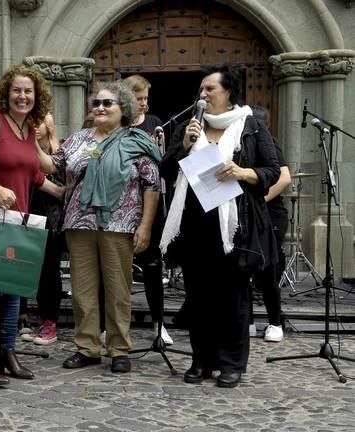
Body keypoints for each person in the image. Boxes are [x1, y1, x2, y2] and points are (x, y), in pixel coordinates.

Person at [159, 64, 280, 388]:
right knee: (198, 298)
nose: (203, 95)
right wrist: (184, 145)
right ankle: (202, 360)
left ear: (229, 92)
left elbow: (272, 170)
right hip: (195, 225)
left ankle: (231, 363)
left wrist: (242, 172)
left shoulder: (249, 126)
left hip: (234, 229)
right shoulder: (190, 127)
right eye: (201, 90)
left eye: (210, 89)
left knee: (233, 299)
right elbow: (167, 169)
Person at [36, 81, 162, 374]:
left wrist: (145, 226)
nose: (101, 108)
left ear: (124, 109)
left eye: (108, 103)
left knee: (118, 289)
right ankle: (87, 347)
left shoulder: (137, 141)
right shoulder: (78, 140)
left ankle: (119, 349)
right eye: (97, 103)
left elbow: (152, 186)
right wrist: (31, 137)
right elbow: (49, 166)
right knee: (83, 289)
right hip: (79, 223)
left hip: (119, 224)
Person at [0, 64, 64, 386]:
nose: (22, 96)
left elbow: (32, 173)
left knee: (15, 289)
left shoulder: (29, 129)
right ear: (6, 92)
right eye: (17, 90)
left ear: (37, 96)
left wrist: (60, 191)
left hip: (19, 219)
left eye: (28, 91)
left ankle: (8, 352)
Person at [122, 74, 173, 345]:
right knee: (117, 269)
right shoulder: (117, 124)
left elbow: (163, 164)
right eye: (139, 98)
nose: (144, 104)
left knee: (153, 267)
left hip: (150, 203)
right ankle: (115, 325)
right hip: (122, 205)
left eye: (146, 99)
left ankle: (158, 324)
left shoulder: (155, 124)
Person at [20, 113, 64, 345]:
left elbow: (62, 184)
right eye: (30, 123)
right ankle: (29, 319)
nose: (34, 127)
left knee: (49, 271)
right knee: (27, 270)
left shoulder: (61, 149)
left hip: (53, 221)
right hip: (28, 213)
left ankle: (50, 322)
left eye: (39, 122)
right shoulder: (23, 151)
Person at [251, 105, 290, 342]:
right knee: (241, 270)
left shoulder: (269, 143)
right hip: (248, 215)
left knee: (267, 272)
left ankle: (275, 322)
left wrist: (257, 201)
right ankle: (248, 322)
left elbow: (284, 177)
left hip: (270, 215)